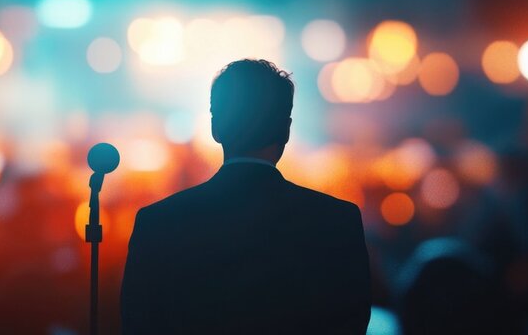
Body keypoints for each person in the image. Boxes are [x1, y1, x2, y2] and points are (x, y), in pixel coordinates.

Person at [121, 59, 371, 334]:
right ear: (285, 130)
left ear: (216, 128)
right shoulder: (337, 221)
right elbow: (351, 321)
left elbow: (138, 323)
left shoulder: (158, 222)